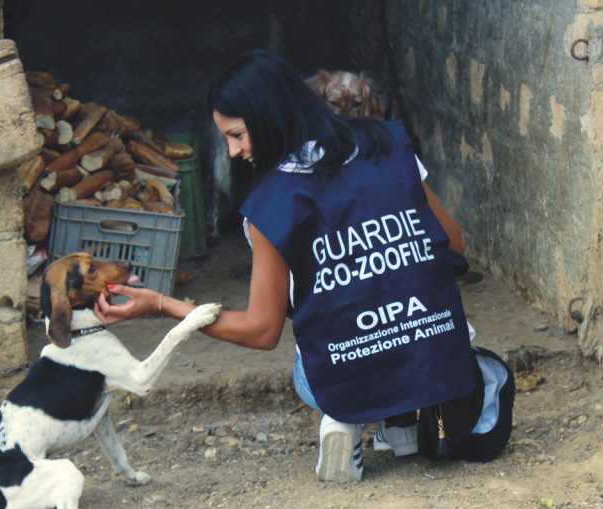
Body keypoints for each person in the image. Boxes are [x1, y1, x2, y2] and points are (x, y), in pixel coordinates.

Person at [95, 48, 513, 482]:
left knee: (316, 339)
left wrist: (162, 306)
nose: (233, 151)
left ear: (268, 116)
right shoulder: (387, 145)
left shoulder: (273, 204)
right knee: (398, 307)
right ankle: (401, 423)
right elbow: (453, 246)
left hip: (351, 367)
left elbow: (262, 331)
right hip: (434, 349)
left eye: (236, 135)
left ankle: (343, 419)